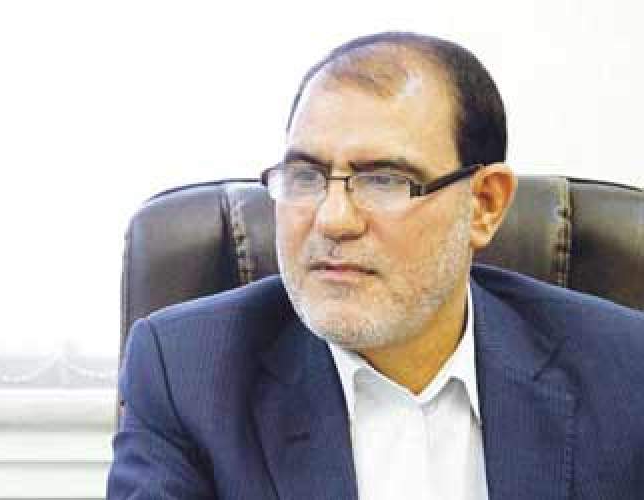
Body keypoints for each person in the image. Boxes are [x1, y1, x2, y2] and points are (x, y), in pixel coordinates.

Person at [107, 32, 644, 500]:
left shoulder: (624, 371)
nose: (333, 219)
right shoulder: (187, 374)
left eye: (384, 180)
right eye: (306, 176)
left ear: (484, 205)